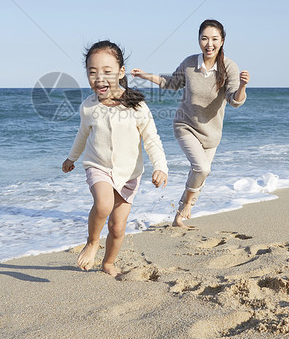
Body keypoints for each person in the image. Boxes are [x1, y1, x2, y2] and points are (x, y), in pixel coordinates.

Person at [62, 40, 169, 277]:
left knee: (118, 227)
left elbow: (151, 138)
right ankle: (92, 243)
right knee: (103, 204)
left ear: (121, 73)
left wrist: (160, 167)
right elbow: (83, 135)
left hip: (129, 174)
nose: (99, 78)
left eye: (107, 72)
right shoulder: (88, 106)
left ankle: (108, 263)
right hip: (97, 165)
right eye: (92, 72)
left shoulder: (137, 106)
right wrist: (72, 158)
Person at [131, 19, 249, 228]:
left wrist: (242, 87)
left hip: (211, 134)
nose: (209, 44)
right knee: (202, 168)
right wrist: (145, 75)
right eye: (204, 38)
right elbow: (172, 83)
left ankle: (179, 216)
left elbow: (234, 100)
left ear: (222, 41)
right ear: (199, 40)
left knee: (199, 176)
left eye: (214, 39)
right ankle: (185, 206)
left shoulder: (229, 67)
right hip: (185, 125)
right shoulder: (189, 63)